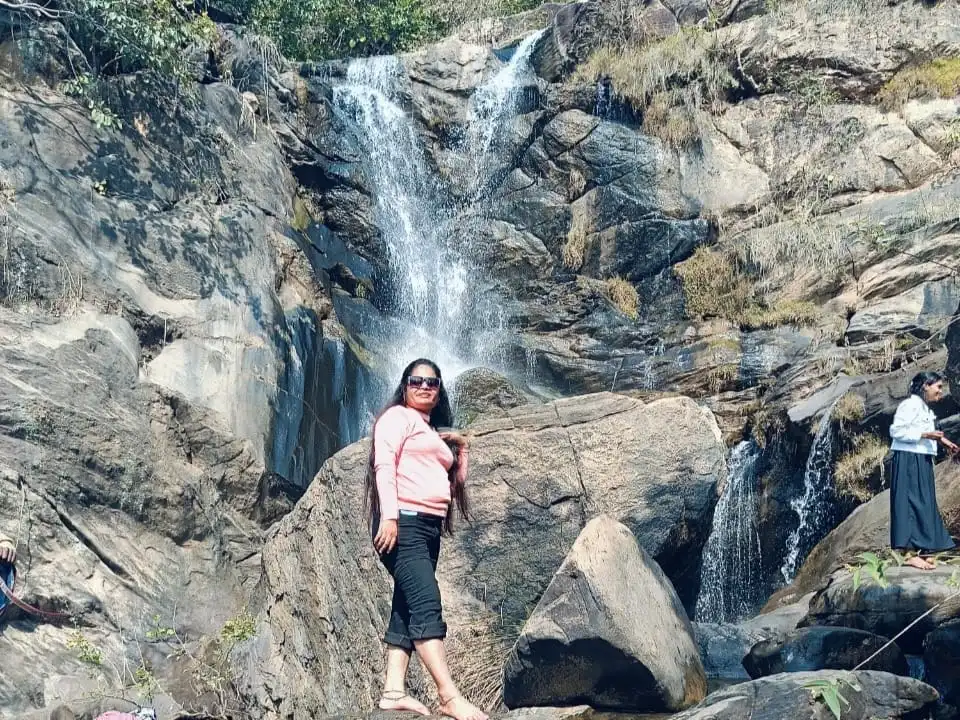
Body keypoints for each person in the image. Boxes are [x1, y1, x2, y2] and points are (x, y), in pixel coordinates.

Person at [364, 358, 487, 720]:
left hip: (428, 529)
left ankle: (392, 692)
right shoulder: (396, 418)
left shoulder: (428, 430)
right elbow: (384, 466)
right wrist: (388, 517)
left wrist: (459, 453)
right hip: (404, 524)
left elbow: (453, 484)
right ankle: (449, 696)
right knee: (426, 603)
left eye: (432, 383)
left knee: (406, 604)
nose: (424, 386)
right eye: (416, 380)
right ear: (404, 386)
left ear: (439, 391)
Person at [889, 370, 958, 570]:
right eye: (938, 387)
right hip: (908, 458)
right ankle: (908, 554)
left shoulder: (923, 408)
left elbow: (927, 432)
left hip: (921, 458)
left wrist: (943, 441)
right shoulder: (909, 405)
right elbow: (896, 431)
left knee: (924, 502)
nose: (940, 391)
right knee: (910, 503)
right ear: (926, 385)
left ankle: (922, 549)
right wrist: (927, 434)